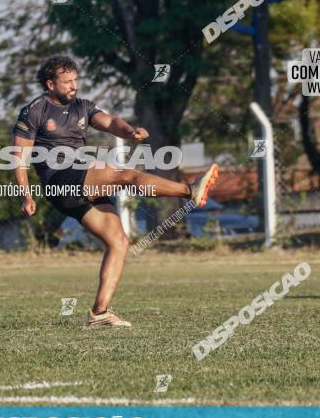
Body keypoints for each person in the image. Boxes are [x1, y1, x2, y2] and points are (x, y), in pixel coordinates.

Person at [12, 56, 218, 329]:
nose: (74, 86)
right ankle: (190, 190)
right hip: (60, 179)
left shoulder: (82, 107)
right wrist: (26, 195)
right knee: (127, 175)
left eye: (76, 80)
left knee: (119, 242)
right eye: (67, 82)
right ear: (50, 84)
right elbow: (19, 158)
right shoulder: (34, 110)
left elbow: (111, 122)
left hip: (79, 182)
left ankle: (100, 313)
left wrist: (130, 132)